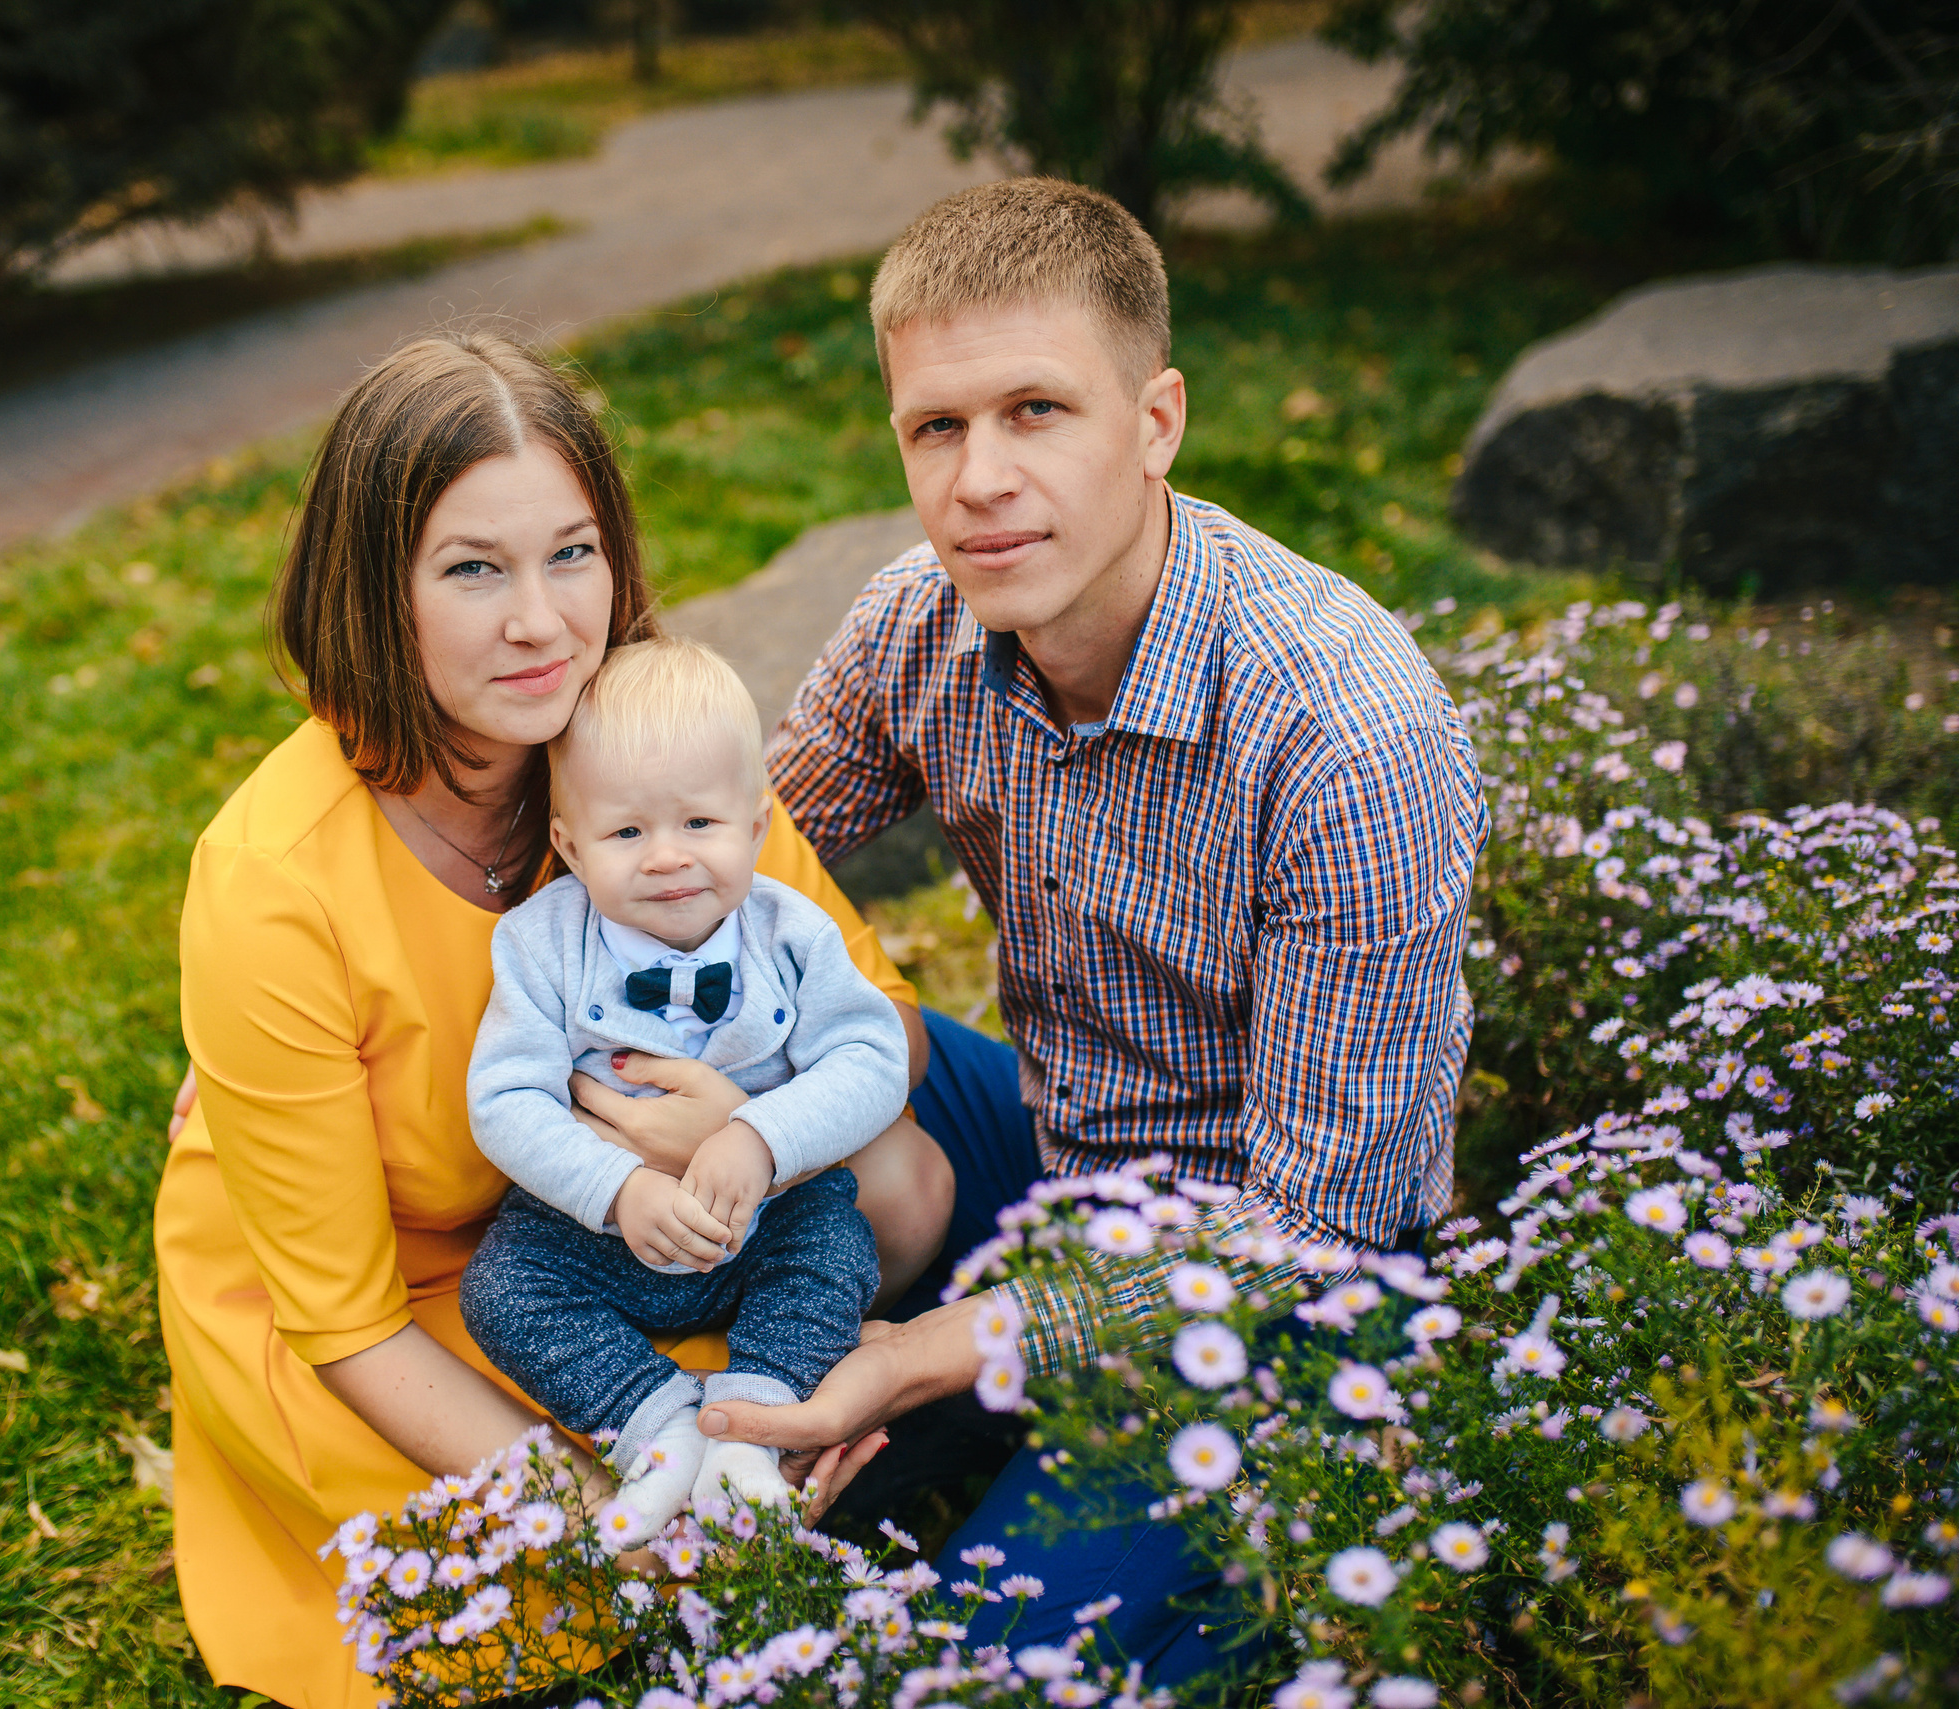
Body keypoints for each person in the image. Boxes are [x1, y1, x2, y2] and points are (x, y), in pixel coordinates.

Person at [695, 177, 1489, 1681]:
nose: (980, 478)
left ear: (1158, 422)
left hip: (1287, 1287)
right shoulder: (916, 624)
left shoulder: (1348, 731)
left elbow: (1309, 1235)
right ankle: (668, 1398)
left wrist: (919, 1356)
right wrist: (405, 1003)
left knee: (994, 1662)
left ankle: (941, 1426)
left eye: (1038, 410)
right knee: (771, 1055)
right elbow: (713, 865)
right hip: (1048, 1147)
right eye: (937, 427)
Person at [152, 330, 952, 1708]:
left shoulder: (642, 754)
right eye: (474, 568)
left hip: (659, 1220)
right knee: (569, 1586)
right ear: (374, 590)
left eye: (571, 554)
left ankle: (762, 1415)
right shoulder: (273, 883)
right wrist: (594, 1518)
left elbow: (885, 1023)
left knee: (896, 1172)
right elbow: (348, 1327)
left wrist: (742, 1122)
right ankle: (692, 1463)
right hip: (410, 1297)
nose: (542, 622)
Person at [460, 637, 910, 1531]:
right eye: (627, 832)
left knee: (836, 1250)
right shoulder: (539, 943)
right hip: (593, 1231)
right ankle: (655, 1425)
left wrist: (759, 1136)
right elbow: (504, 1097)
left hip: (764, 1214)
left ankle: (751, 1423)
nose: (667, 857)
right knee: (501, 1289)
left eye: (699, 825)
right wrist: (614, 1187)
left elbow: (874, 1058)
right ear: (570, 844)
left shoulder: (791, 934)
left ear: (753, 825)